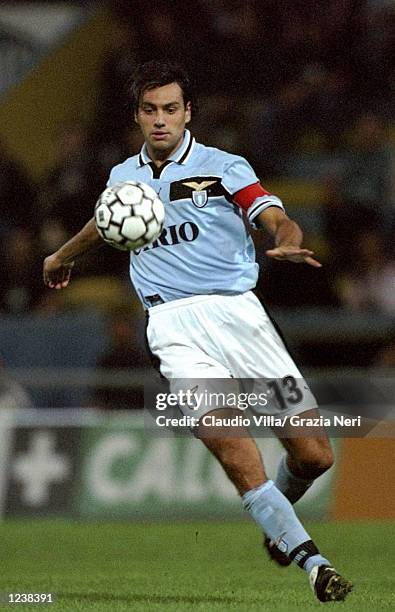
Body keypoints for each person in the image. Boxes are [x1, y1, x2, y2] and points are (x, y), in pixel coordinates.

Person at [43, 61, 352, 603]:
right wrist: (61, 255)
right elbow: (105, 220)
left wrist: (285, 235)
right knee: (237, 454)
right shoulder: (123, 178)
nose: (159, 120)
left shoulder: (224, 166)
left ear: (188, 112)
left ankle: (279, 519)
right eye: (149, 110)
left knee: (314, 456)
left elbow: (273, 213)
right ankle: (314, 562)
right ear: (137, 115)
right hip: (173, 327)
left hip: (241, 320)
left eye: (170, 109)